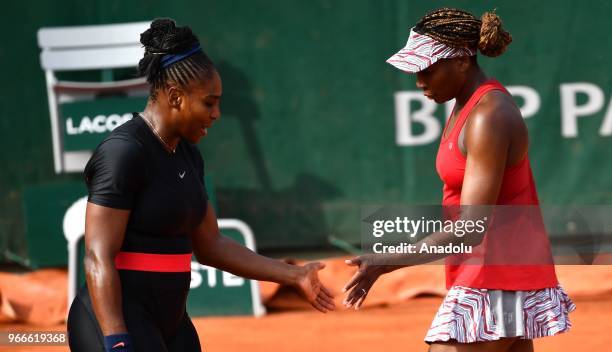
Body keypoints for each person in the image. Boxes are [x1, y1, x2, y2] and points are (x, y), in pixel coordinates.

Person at [66, 18, 335, 352]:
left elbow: (211, 244)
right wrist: (117, 339)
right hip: (115, 319)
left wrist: (293, 275)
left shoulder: (188, 155)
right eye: (209, 102)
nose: (217, 113)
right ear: (176, 97)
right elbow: (97, 256)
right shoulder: (124, 152)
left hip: (171, 321)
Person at [342, 8, 574, 352]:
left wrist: (386, 261)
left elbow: (471, 227)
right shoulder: (466, 106)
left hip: (499, 279)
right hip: (488, 274)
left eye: (428, 69)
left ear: (463, 62)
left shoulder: (488, 116)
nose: (420, 81)